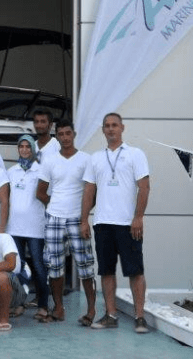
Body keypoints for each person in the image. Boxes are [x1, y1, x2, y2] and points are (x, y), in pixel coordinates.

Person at [81, 113, 150, 333]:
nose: (111, 129)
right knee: (106, 271)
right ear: (103, 130)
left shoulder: (135, 154)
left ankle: (140, 317)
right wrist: (84, 220)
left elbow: (144, 187)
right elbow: (89, 190)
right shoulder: (95, 158)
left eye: (114, 125)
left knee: (135, 271)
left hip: (128, 224)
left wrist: (138, 217)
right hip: (102, 223)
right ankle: (111, 315)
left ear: (122, 128)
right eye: (107, 126)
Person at [36, 120, 97, 325]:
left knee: (85, 266)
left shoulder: (86, 159)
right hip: (54, 218)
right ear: (57, 136)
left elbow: (93, 192)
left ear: (74, 134)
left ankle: (91, 310)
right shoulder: (50, 160)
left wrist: (84, 217)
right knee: (54, 267)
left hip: (78, 220)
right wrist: (55, 206)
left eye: (68, 133)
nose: (65, 137)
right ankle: (59, 308)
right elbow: (40, 192)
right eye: (60, 134)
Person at [7, 135, 48, 320]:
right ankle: (19, 304)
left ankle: (43, 305)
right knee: (17, 267)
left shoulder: (41, 171)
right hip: (14, 227)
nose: (24, 150)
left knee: (38, 266)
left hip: (35, 228)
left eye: (28, 147)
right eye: (21, 146)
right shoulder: (11, 171)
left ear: (33, 149)